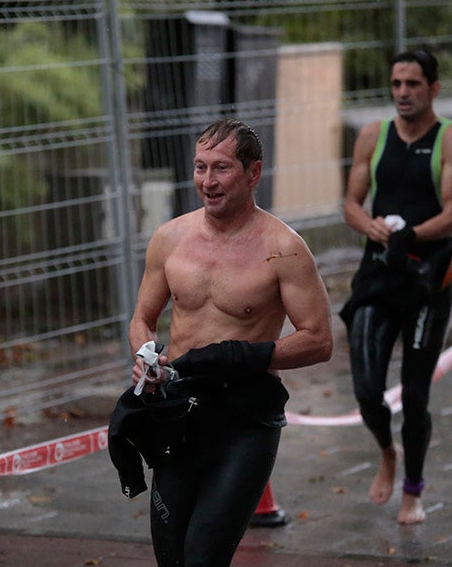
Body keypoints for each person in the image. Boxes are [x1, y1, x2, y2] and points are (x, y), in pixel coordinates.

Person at [116, 118, 333, 566]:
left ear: (253, 173)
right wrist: (145, 356)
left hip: (245, 421)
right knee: (173, 559)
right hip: (179, 412)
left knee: (203, 559)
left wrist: (243, 355)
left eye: (222, 169)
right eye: (199, 168)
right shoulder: (170, 238)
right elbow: (142, 318)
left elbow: (319, 340)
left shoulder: (284, 249)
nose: (208, 182)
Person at [339, 49, 452, 524]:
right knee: (365, 389)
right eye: (396, 83)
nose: (403, 92)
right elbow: (351, 203)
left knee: (415, 395)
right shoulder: (373, 136)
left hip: (426, 280)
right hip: (378, 275)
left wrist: (410, 234)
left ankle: (413, 492)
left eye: (413, 84)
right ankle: (386, 450)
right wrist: (371, 227)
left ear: (433, 89)